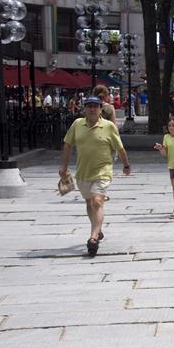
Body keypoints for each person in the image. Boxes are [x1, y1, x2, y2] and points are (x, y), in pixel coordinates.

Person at [59, 95, 130, 257]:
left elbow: (120, 148)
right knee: (89, 203)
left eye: (95, 106)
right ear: (84, 108)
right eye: (89, 106)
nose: (92, 109)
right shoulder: (77, 124)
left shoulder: (109, 126)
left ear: (100, 110)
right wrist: (63, 166)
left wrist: (126, 164)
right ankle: (98, 229)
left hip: (103, 170)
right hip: (83, 171)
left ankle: (93, 239)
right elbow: (68, 144)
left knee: (97, 201)